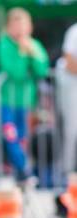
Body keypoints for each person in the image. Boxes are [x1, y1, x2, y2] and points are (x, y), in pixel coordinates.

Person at [0, 8, 49, 182]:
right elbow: (15, 72)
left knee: (23, 139)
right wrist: (22, 52)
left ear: (29, 27)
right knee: (11, 136)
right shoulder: (4, 44)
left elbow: (42, 69)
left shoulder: (34, 45)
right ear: (9, 27)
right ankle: (24, 169)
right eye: (15, 25)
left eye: (23, 26)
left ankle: (22, 175)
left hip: (27, 102)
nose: (19, 30)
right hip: (7, 101)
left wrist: (32, 54)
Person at [57, 23, 77, 175]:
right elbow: (69, 60)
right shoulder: (74, 31)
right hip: (71, 87)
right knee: (71, 131)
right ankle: (66, 173)